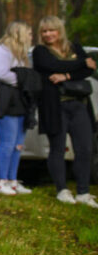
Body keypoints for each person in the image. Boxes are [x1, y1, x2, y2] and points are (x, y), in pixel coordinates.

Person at [33, 16, 97, 207]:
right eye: (44, 31)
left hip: (79, 105)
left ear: (59, 31)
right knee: (58, 148)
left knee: (85, 148)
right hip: (55, 106)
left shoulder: (74, 47)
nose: (47, 34)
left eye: (51, 30)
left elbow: (89, 71)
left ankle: (83, 192)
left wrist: (66, 75)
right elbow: (53, 66)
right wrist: (81, 64)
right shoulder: (40, 51)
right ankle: (62, 189)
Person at [0, 21, 33, 196]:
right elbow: (3, 74)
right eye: (28, 33)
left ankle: (12, 180)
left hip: (19, 100)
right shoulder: (2, 50)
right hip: (1, 100)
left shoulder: (21, 54)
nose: (31, 36)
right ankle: (0, 181)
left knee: (18, 143)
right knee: (7, 142)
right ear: (18, 33)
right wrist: (26, 79)